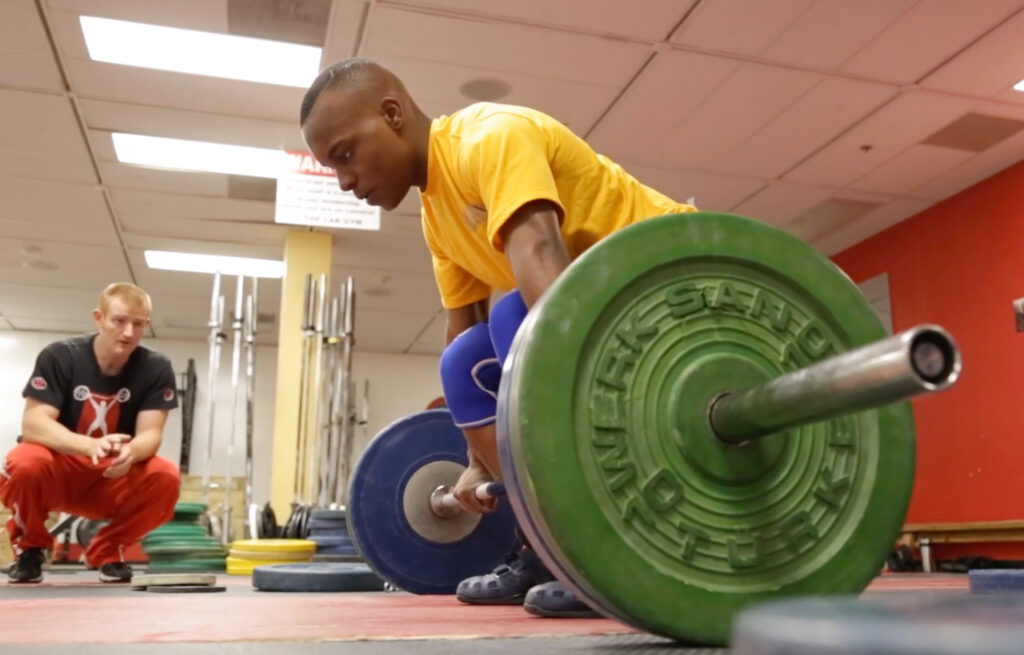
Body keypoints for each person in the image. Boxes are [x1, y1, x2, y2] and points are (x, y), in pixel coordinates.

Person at [300, 58, 696, 617]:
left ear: (391, 114)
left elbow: (539, 255)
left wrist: (575, 407)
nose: (344, 181)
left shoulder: (489, 136)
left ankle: (612, 542)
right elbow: (464, 328)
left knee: (519, 319)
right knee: (464, 362)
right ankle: (544, 540)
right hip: (604, 301)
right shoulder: (434, 213)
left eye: (345, 154)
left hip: (671, 271)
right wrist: (477, 464)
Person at [1, 283, 181, 583]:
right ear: (99, 318)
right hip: (58, 470)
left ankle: (106, 550)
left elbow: (151, 433)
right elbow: (33, 424)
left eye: (138, 324)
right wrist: (87, 445)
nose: (128, 332)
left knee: (166, 476)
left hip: (109, 475)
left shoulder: (156, 367)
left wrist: (132, 452)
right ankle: (30, 549)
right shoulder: (60, 356)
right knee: (24, 460)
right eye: (119, 321)